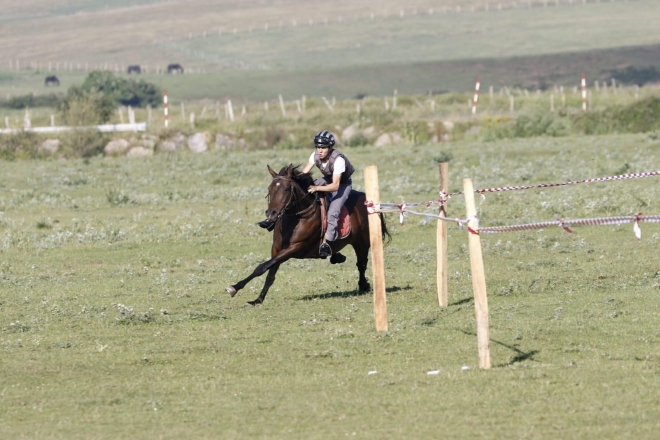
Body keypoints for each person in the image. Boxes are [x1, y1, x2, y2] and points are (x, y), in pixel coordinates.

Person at [259, 130, 355, 259]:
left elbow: (335, 186)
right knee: (304, 192)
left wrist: (317, 187)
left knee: (333, 211)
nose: (319, 150)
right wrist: (289, 180)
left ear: (330, 148)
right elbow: (303, 174)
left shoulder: (338, 160)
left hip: (342, 185)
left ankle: (328, 244)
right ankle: (273, 219)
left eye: (323, 148)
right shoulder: (315, 155)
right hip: (327, 179)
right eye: (318, 147)